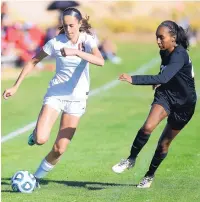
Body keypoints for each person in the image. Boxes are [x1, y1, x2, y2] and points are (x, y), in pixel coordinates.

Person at [3, 7, 104, 188]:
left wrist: (76, 52)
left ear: (80, 24)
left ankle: (36, 178)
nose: (69, 30)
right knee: (41, 139)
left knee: (59, 149)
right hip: (56, 94)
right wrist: (15, 86)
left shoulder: (87, 40)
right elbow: (33, 61)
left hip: (77, 99)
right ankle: (34, 135)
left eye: (72, 25)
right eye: (65, 26)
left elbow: (100, 61)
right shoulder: (56, 42)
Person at [112, 20, 197, 188]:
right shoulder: (164, 52)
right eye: (156, 37)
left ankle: (149, 175)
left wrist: (134, 79)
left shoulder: (180, 54)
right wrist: (158, 80)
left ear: (173, 38)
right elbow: (165, 73)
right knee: (147, 127)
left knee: (163, 143)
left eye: (161, 37)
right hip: (166, 96)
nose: (158, 41)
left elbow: (164, 77)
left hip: (185, 105)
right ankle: (130, 159)